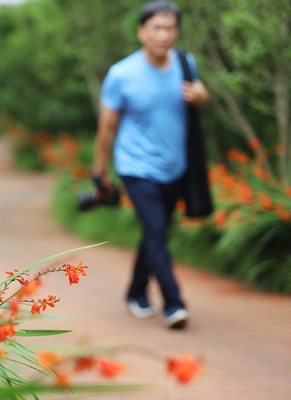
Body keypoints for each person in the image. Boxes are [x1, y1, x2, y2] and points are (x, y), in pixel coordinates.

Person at [92, 1, 210, 329]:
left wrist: (202, 96)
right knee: (156, 229)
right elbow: (107, 127)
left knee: (155, 232)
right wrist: (99, 171)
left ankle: (134, 291)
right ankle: (173, 303)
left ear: (177, 31)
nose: (163, 34)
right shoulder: (122, 74)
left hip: (175, 166)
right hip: (136, 167)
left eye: (169, 27)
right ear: (141, 31)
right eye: (156, 27)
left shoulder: (186, 63)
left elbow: (199, 97)